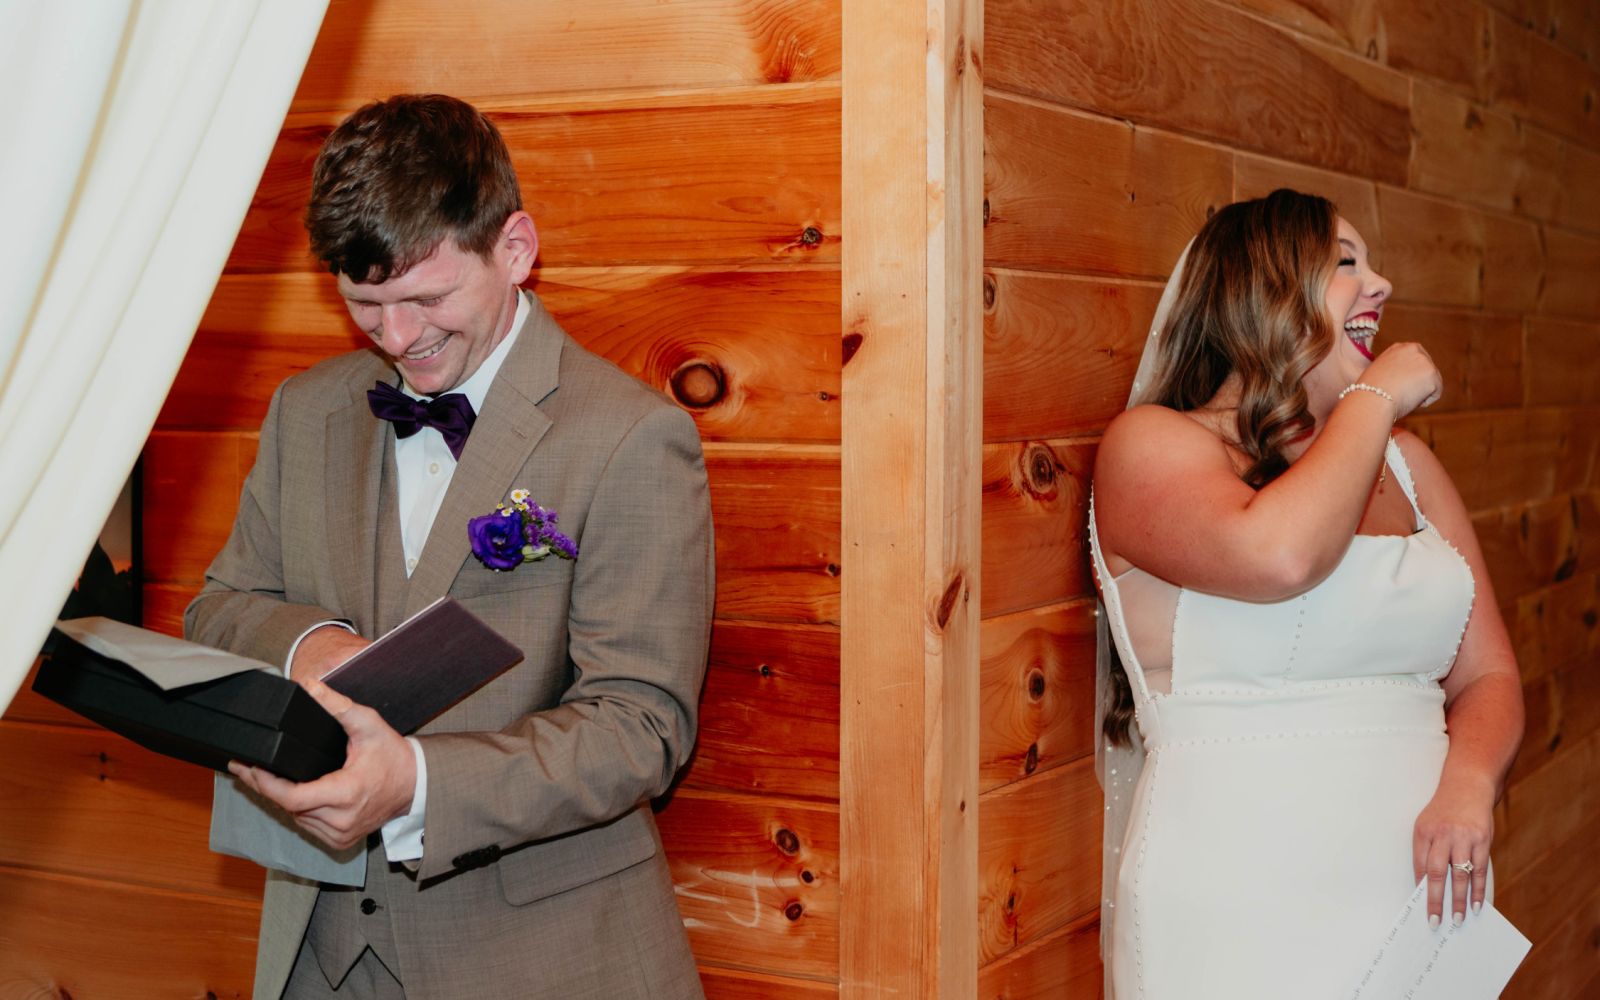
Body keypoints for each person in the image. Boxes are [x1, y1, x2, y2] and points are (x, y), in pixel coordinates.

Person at [185, 94, 713, 999]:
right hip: (315, 954)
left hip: (542, 963)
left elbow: (641, 725)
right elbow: (218, 610)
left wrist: (419, 784)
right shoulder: (304, 411)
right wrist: (312, 644)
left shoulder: (630, 437)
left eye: (428, 298)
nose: (398, 338)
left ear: (515, 249)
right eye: (364, 304)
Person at [1090, 189, 1524, 998]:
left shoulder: (1408, 465)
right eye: (1346, 262)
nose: (1382, 284)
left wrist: (1469, 785)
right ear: (1265, 288)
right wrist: (1376, 396)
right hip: (1241, 905)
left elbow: (1489, 675)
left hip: (1421, 902)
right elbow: (1283, 556)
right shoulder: (1149, 446)